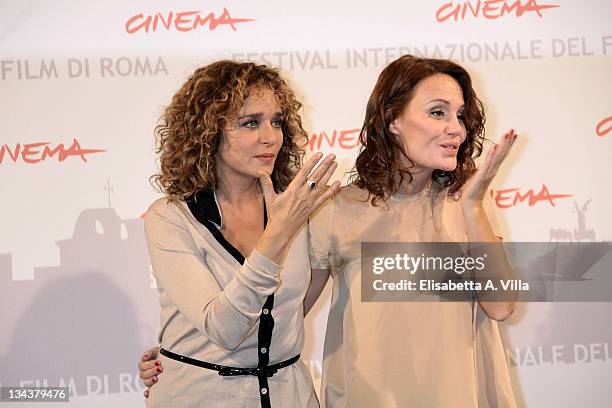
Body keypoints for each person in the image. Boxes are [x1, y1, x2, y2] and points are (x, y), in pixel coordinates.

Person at [141, 55, 519, 407]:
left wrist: (472, 206)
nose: (455, 128)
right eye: (438, 113)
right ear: (392, 119)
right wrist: (185, 354)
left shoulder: (469, 205)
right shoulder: (333, 208)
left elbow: (501, 306)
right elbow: (283, 314)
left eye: (460, 116)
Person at [143, 59, 339, 408]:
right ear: (208, 132)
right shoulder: (171, 218)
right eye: (250, 123)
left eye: (276, 122)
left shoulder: (301, 207)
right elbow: (224, 329)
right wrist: (277, 234)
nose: (270, 137)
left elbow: (287, 312)